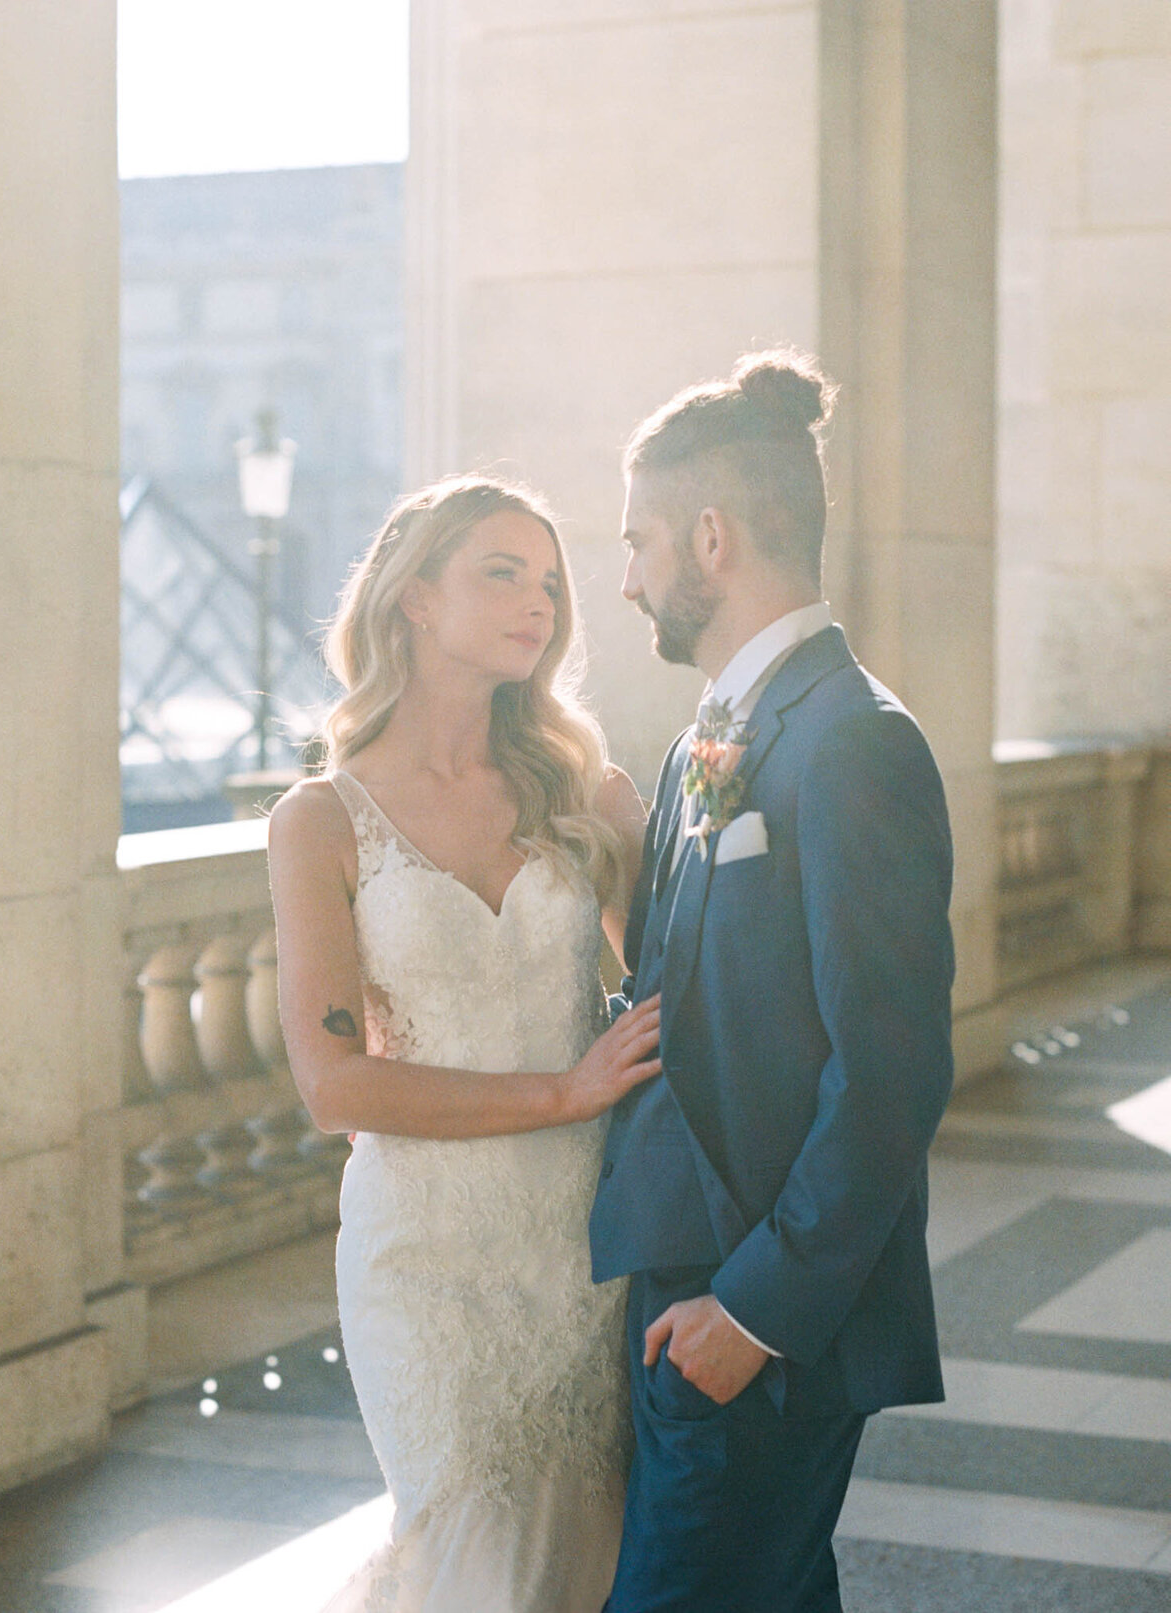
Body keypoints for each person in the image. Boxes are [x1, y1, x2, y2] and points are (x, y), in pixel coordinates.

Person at [590, 349, 956, 1612]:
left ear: (711, 535)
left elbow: (893, 1072)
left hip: (761, 1315)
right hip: (679, 1282)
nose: (624, 578)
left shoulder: (855, 742)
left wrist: (748, 1314)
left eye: (636, 541)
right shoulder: (714, 735)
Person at [268, 475, 657, 1612]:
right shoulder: (321, 820)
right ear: (414, 599)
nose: (538, 601)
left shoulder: (589, 792)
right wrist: (562, 1089)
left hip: (584, 1244)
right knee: (479, 1569)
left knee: (581, 1563)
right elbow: (336, 1086)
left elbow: (685, 980)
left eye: (549, 580)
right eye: (502, 571)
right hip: (425, 1265)